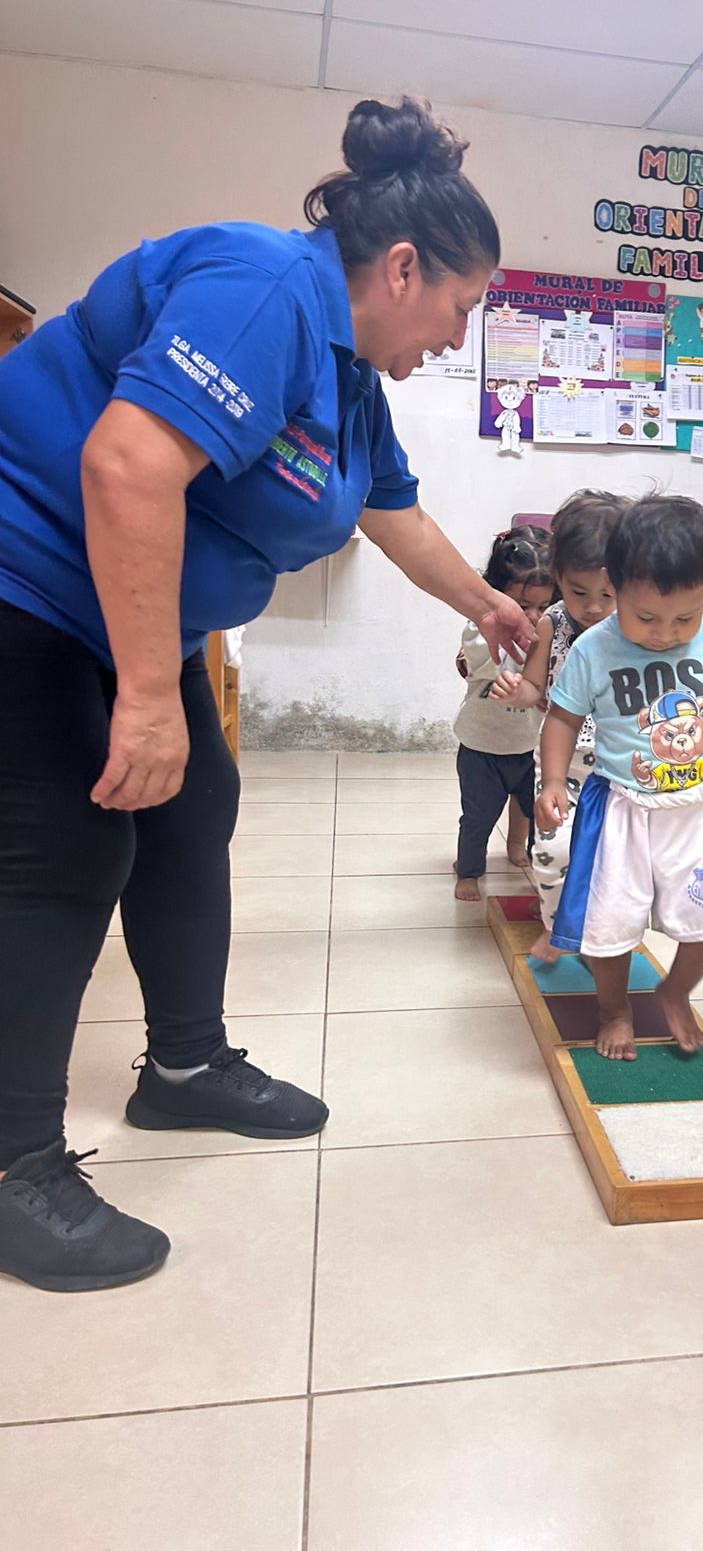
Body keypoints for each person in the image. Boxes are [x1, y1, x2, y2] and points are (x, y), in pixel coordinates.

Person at [0, 96, 535, 1293]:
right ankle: (11, 1160)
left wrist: (487, 604)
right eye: (461, 306)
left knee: (193, 811)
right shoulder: (266, 289)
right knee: (64, 849)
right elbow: (128, 463)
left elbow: (391, 512)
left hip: (119, 612)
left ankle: (183, 1069)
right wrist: (150, 696)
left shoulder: (351, 377)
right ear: (404, 268)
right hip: (24, 581)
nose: (458, 336)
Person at [535, 495, 703, 1061]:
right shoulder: (595, 649)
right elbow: (563, 718)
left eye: (685, 618)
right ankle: (614, 1009)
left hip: (698, 808)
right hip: (619, 807)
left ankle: (675, 990)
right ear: (615, 586)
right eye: (646, 618)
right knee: (608, 926)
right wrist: (551, 781)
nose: (665, 633)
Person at [491, 490, 627, 962]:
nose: (593, 607)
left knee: (610, 859)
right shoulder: (553, 622)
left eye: (607, 595)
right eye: (578, 592)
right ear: (558, 579)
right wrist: (518, 692)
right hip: (562, 764)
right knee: (552, 855)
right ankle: (556, 927)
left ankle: (597, 931)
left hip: (618, 767)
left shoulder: (635, 627)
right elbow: (535, 685)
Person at [452, 525, 555, 903]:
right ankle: (468, 871)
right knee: (478, 816)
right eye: (523, 606)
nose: (534, 616)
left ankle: (519, 848)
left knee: (535, 811)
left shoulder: (554, 634)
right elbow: (481, 665)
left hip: (531, 745)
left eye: (543, 607)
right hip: (482, 747)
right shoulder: (481, 631)